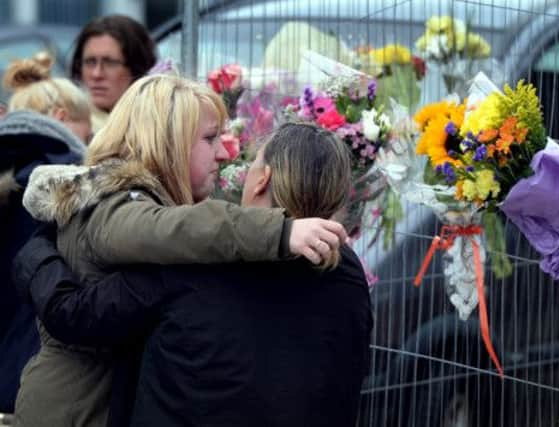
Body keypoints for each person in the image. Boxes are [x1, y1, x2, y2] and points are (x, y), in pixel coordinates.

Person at [14, 75, 346, 427]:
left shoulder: (127, 201)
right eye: (209, 138)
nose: (224, 152)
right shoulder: (118, 206)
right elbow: (172, 230)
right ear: (166, 142)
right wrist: (281, 231)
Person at [0, 53, 90, 416]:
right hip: (29, 372)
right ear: (62, 119)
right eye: (88, 125)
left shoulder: (9, 179)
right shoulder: (58, 186)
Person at [70, 14, 156, 132]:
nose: (97, 74)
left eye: (110, 63)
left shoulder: (154, 130)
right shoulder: (66, 126)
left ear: (136, 69)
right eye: (90, 62)